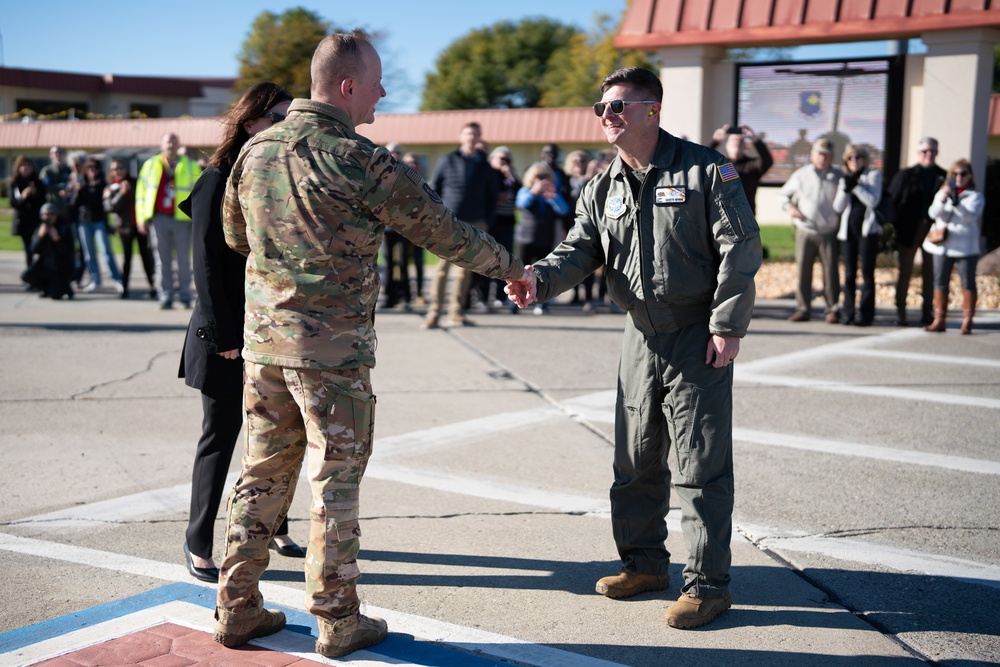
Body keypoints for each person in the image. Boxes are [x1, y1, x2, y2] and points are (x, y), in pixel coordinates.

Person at [214, 29, 527, 658]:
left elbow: (234, 236)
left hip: (266, 348)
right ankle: (337, 619)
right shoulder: (359, 158)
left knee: (261, 474)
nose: (384, 91)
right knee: (335, 483)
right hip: (332, 356)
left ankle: (236, 608)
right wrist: (510, 268)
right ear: (347, 86)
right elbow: (441, 231)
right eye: (378, 81)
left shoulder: (257, 151)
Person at [505, 66, 761, 630]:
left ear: (653, 109)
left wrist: (727, 325)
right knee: (635, 457)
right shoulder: (603, 185)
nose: (607, 117)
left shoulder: (704, 171)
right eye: (601, 108)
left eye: (618, 106)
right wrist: (538, 280)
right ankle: (644, 563)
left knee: (700, 463)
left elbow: (740, 246)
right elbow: (579, 249)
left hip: (696, 331)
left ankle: (708, 585)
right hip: (639, 333)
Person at [177, 83, 304, 586]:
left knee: (277, 434)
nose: (285, 124)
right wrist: (222, 333)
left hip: (270, 330)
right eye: (278, 116)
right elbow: (205, 267)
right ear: (251, 121)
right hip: (224, 334)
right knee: (221, 435)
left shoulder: (275, 176)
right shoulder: (215, 180)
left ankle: (275, 524)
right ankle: (198, 539)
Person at [421, 121, 497, 328]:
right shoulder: (448, 160)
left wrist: (486, 222)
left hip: (476, 223)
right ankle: (434, 313)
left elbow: (493, 197)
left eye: (475, 134)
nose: (471, 137)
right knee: (442, 269)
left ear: (479, 137)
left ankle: (455, 311)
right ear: (461, 137)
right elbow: (433, 188)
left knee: (465, 270)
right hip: (449, 222)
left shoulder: (485, 165)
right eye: (468, 133)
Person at [777, 138, 843, 323]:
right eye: (819, 154)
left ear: (831, 158)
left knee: (831, 272)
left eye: (826, 155)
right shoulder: (801, 174)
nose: (822, 158)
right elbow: (782, 194)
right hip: (805, 230)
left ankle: (832, 310)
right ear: (813, 155)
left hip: (828, 231)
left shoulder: (838, 175)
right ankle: (803, 309)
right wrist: (789, 208)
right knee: (803, 272)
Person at [135, 132, 202, 309]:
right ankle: (165, 295)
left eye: (173, 142)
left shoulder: (190, 164)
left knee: (183, 259)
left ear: (178, 144)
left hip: (182, 218)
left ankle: (185, 296)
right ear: (162, 144)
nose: (170, 145)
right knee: (162, 259)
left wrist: (196, 216)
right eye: (167, 142)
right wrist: (141, 218)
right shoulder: (150, 165)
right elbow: (141, 194)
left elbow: (198, 193)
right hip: (159, 217)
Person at [921, 158, 984, 334]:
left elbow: (970, 217)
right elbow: (932, 213)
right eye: (955, 174)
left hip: (966, 247)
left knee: (967, 283)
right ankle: (939, 319)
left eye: (963, 174)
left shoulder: (975, 196)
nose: (959, 177)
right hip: (943, 245)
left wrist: (956, 202)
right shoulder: (943, 193)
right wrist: (944, 197)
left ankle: (967, 320)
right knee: (940, 281)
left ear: (969, 176)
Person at [888, 137, 947, 326]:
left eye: (932, 151)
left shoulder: (943, 176)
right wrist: (894, 227)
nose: (928, 155)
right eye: (924, 151)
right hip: (909, 229)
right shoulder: (906, 175)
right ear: (918, 153)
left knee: (930, 273)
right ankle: (900, 311)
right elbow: (893, 201)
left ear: (937, 153)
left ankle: (927, 312)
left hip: (933, 231)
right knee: (905, 271)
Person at [832, 144, 882, 326]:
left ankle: (866, 314)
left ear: (864, 159)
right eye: (850, 158)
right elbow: (837, 207)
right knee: (849, 274)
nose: (854, 161)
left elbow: (873, 201)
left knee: (867, 273)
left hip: (867, 231)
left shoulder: (873, 176)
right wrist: (845, 188)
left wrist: (856, 187)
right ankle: (848, 312)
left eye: (858, 157)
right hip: (848, 232)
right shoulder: (844, 178)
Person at [515, 162, 570, 315]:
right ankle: (517, 300)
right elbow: (522, 203)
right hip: (526, 237)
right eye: (538, 177)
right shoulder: (525, 191)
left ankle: (541, 302)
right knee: (520, 270)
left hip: (545, 237)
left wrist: (553, 197)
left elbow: (564, 210)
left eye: (545, 177)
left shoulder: (552, 194)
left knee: (542, 272)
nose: (542, 180)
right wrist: (534, 191)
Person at [104, 159, 156, 300]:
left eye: (121, 167)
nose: (118, 171)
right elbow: (111, 207)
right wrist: (122, 192)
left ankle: (153, 286)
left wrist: (129, 189)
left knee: (146, 257)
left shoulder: (134, 182)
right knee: (127, 259)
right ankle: (124, 288)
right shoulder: (110, 188)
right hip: (124, 229)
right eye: (115, 169)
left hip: (139, 226)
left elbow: (142, 197)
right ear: (111, 172)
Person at [74, 158, 124, 294]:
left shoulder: (103, 184)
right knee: (88, 254)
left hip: (99, 221)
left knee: (106, 251)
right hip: (83, 222)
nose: (92, 171)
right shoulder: (81, 184)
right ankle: (95, 280)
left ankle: (117, 279)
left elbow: (103, 205)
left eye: (95, 168)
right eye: (89, 168)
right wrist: (78, 190)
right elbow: (75, 204)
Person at [381, 142, 417, 309]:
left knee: (403, 262)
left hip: (404, 226)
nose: (394, 155)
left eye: (397, 152)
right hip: (387, 226)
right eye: (392, 152)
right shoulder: (380, 170)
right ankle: (389, 296)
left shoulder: (407, 172)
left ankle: (406, 296)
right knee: (389, 263)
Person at [709, 124, 773, 215]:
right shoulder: (719, 164)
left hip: (746, 217)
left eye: (740, 141)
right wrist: (715, 141)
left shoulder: (751, 165)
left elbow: (767, 160)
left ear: (745, 146)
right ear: (726, 145)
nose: (737, 142)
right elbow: (700, 161)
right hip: (722, 217)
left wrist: (754, 139)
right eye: (733, 140)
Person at [564, 149, 597, 311]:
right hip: (570, 225)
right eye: (575, 161)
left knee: (588, 262)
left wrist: (589, 175)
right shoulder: (566, 181)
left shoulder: (594, 180)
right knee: (572, 262)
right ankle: (576, 294)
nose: (579, 164)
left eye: (583, 161)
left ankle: (589, 297)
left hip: (588, 226)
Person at [486, 146, 519, 311]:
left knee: (504, 260)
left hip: (507, 222)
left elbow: (519, 191)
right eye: (501, 159)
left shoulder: (510, 177)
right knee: (487, 259)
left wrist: (510, 175)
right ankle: (484, 295)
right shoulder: (489, 175)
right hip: (492, 222)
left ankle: (501, 295)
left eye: (508, 160)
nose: (505, 163)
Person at [21, 203, 75, 300]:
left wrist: (57, 240)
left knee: (54, 296)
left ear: (56, 215)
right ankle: (46, 289)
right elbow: (33, 250)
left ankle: (66, 287)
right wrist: (39, 237)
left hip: (60, 269)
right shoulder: (40, 228)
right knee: (26, 276)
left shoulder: (63, 228)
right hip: (45, 266)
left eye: (51, 214)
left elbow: (69, 251)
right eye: (46, 214)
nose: (48, 217)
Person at [10, 155, 48, 268]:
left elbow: (43, 200)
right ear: (18, 168)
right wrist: (24, 197)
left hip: (36, 220)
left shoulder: (38, 182)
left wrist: (35, 193)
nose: (26, 168)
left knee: (39, 247)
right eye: (23, 166)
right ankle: (31, 275)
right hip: (23, 221)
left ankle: (40, 272)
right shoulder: (15, 183)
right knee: (28, 249)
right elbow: (14, 203)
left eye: (28, 165)